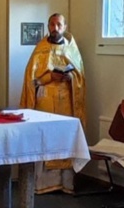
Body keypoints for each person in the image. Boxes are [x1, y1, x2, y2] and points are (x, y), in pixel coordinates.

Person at [20, 13, 86, 194]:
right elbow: (31, 80)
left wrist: (69, 76)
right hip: (45, 101)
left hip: (66, 102)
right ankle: (42, 184)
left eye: (59, 25)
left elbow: (80, 77)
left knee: (63, 139)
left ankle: (65, 183)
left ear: (64, 27)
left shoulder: (72, 49)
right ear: (48, 26)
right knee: (46, 139)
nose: (55, 28)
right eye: (52, 24)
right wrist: (49, 77)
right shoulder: (41, 49)